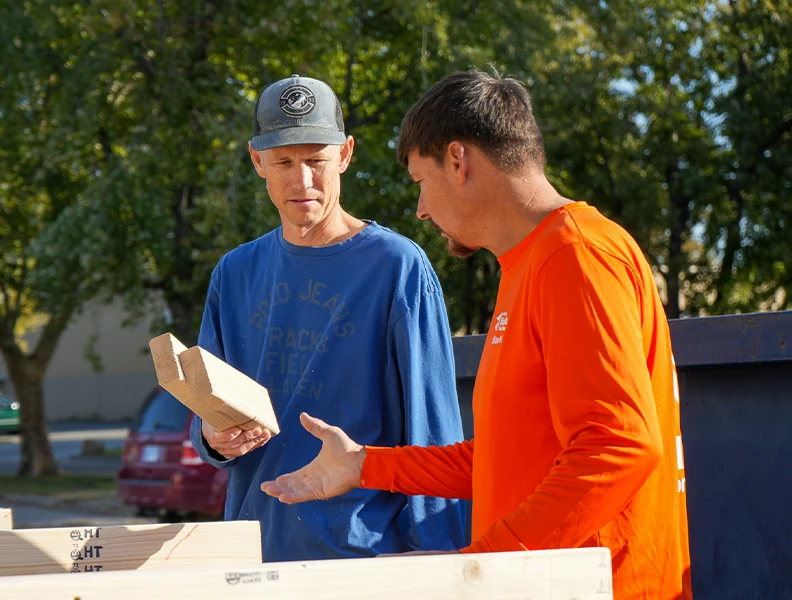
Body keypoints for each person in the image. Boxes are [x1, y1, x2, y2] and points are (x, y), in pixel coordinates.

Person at [261, 71, 692, 599]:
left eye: (421, 182)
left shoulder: (575, 257)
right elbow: (502, 460)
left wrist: (483, 570)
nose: (420, 209)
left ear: (459, 161)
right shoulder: (532, 262)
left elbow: (618, 446)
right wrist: (365, 464)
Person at [189, 74, 466, 562]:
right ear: (257, 161)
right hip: (252, 554)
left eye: (316, 160)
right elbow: (204, 412)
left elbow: (433, 433)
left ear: (345, 154)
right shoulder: (234, 274)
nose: (302, 181)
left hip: (364, 562)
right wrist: (213, 437)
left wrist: (438, 564)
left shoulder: (396, 267)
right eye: (284, 162)